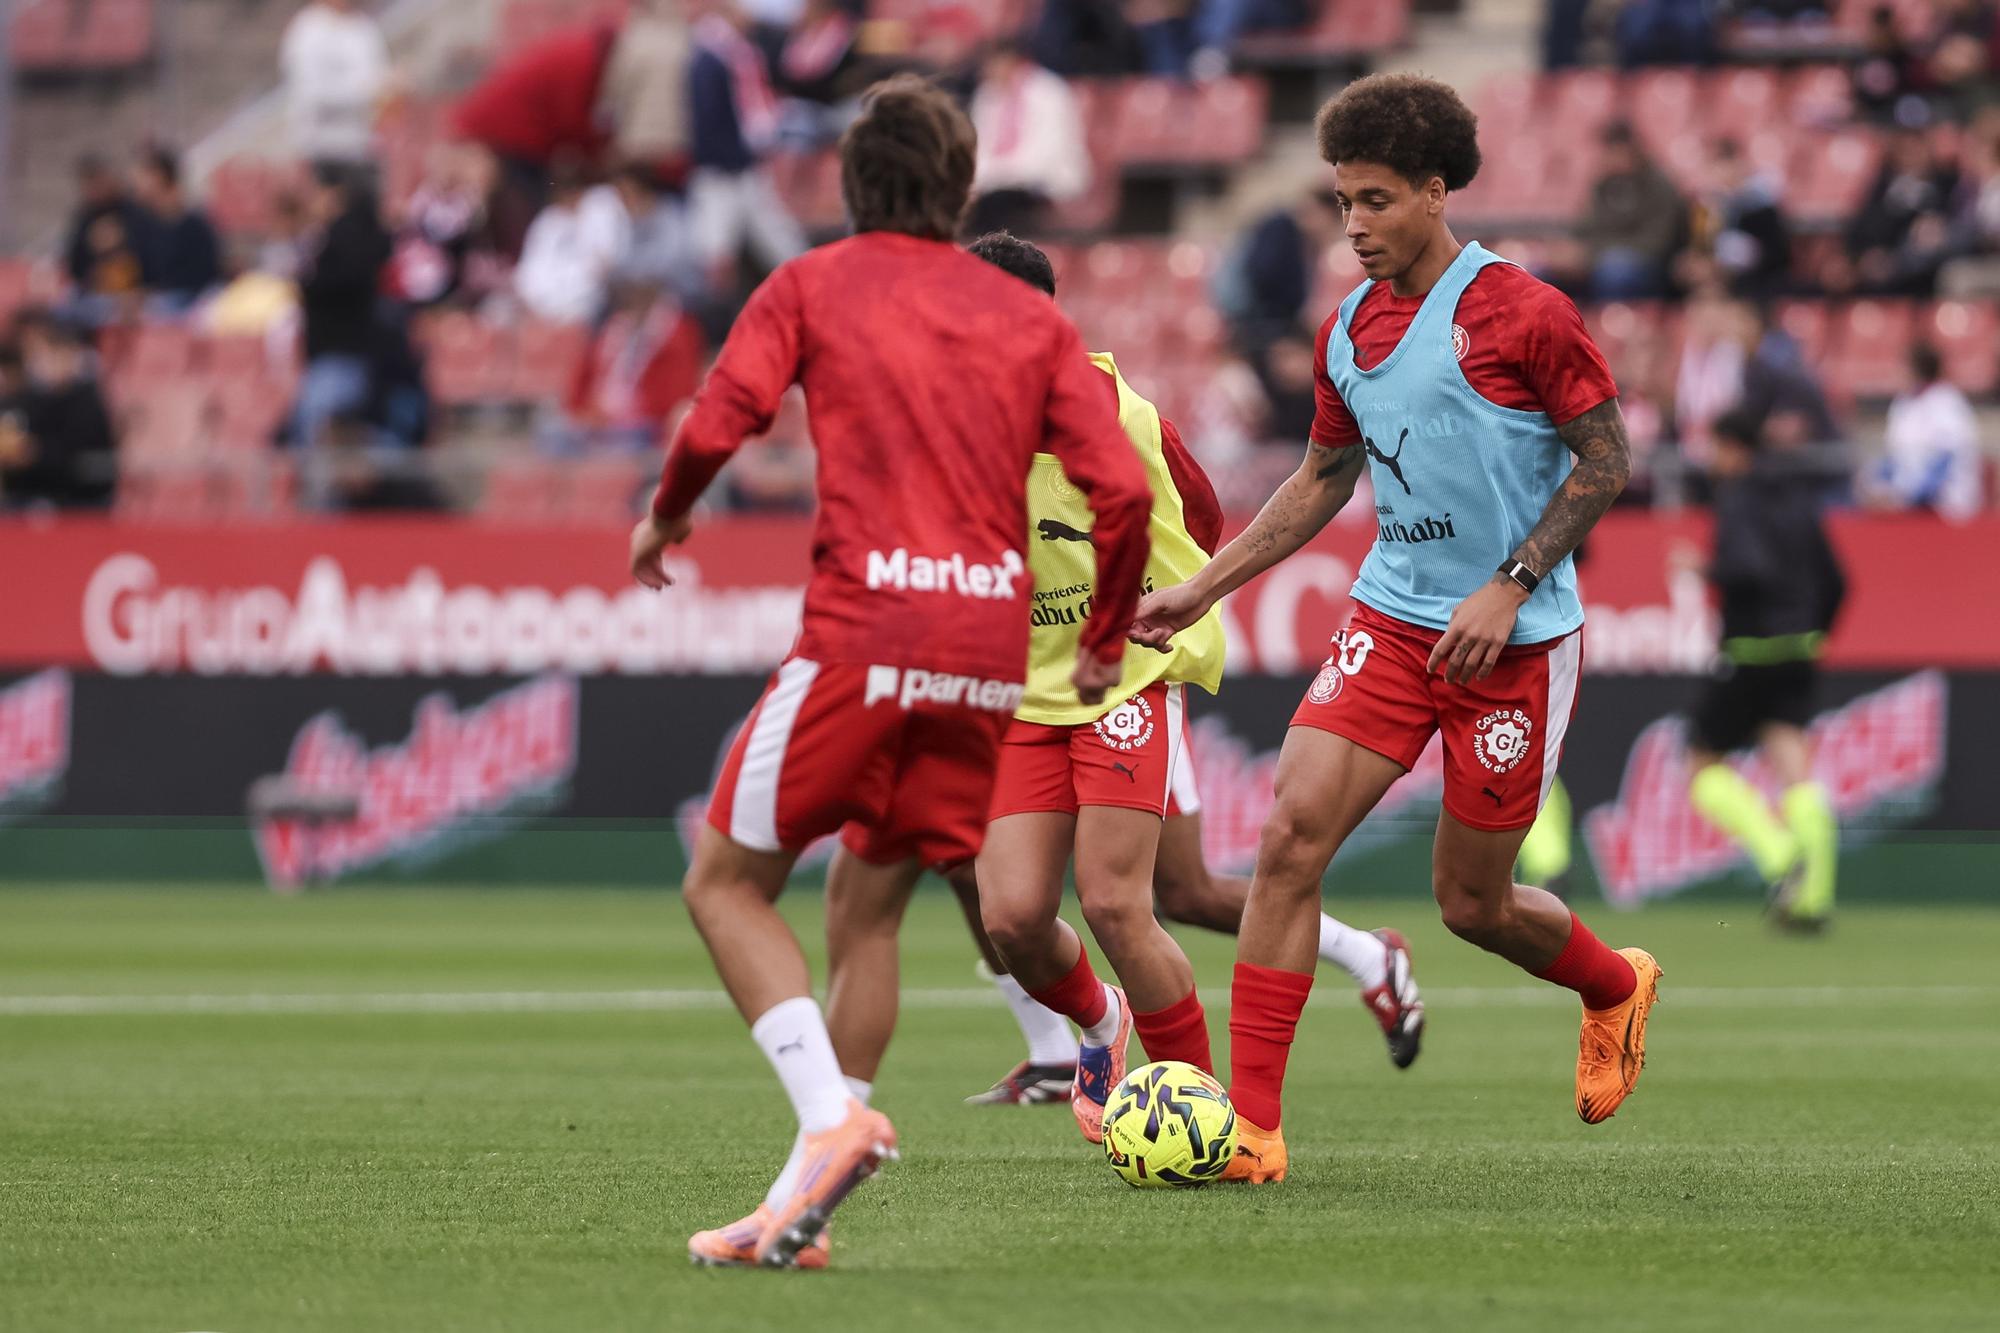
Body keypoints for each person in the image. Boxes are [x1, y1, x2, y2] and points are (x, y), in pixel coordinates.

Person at [633, 76, 1153, 1271]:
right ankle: (792, 1208)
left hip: (867, 633)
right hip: (986, 651)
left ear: (847, 186)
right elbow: (1119, 487)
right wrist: (1107, 632)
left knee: (721, 883)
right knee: (864, 905)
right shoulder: (1028, 318)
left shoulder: (812, 283)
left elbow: (722, 417)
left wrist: (664, 520)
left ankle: (832, 1119)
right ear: (960, 189)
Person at [1132, 75, 1661, 1184]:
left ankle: (1610, 983)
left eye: (1375, 200)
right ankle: (1255, 1130)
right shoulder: (1347, 329)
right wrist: (1205, 586)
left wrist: (1510, 582)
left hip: (1514, 644)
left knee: (1469, 905)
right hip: (1389, 621)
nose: (1355, 225)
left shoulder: (1523, 312)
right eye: (1341, 203)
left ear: (1432, 193)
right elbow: (1322, 475)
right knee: (1287, 844)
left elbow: (1606, 459)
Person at [1680, 409, 1846, 932]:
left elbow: (1750, 569)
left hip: (1751, 648)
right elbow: (1839, 581)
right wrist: (1812, 631)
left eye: (1715, 447)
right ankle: (1813, 897)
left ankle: (1780, 858)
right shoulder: (1801, 499)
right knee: (1792, 758)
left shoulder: (1740, 499)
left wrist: (1702, 568)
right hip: (1799, 647)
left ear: (1734, 448)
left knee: (1702, 765)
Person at [965, 39, 1092, 237]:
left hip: (1043, 182)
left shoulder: (1049, 93)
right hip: (998, 184)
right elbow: (981, 148)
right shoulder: (987, 95)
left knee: (1002, 205)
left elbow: (1048, 152)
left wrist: (1001, 175)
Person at [0, 317, 116, 511]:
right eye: (36, 355)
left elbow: (83, 460)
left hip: (78, 504)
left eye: (51, 354)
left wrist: (34, 454)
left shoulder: (87, 402)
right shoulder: (24, 399)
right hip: (22, 501)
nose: (42, 363)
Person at [1867, 342, 1984, 520]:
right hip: (1907, 505)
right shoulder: (1903, 404)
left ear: (1917, 370)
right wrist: (1879, 487)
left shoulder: (1947, 402)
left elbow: (1946, 461)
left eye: (1901, 366)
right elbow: (1893, 458)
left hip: (1947, 508)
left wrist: (1911, 499)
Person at [512, 158, 628, 325]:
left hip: (594, 305)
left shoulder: (603, 205)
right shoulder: (548, 220)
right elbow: (529, 273)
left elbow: (605, 264)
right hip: (544, 309)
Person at [279, 0, 390, 170]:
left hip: (365, 146)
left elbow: (379, 76)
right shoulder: (306, 31)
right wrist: (366, 94)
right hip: (323, 150)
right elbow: (312, 94)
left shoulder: (364, 26)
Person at [1580, 121, 1685, 301]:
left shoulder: (1660, 186)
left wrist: (1601, 253)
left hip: (1653, 268)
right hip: (1602, 259)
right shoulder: (1603, 185)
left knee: (1614, 271)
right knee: (1546, 276)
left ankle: (1613, 321)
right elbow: (1588, 228)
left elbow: (1658, 242)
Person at [131, 147, 222, 311]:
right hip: (162, 298)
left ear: (159, 176)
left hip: (194, 299)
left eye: (142, 175)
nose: (135, 181)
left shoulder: (194, 222)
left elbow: (205, 275)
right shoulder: (144, 222)